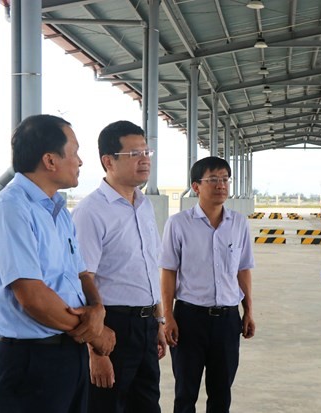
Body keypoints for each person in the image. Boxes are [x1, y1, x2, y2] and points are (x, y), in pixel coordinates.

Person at [0, 114, 115, 413]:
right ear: (50, 161)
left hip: (68, 354)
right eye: (75, 152)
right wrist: (94, 332)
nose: (80, 162)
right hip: (31, 362)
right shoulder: (11, 210)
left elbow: (81, 273)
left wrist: (98, 309)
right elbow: (34, 298)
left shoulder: (59, 211)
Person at [72, 120, 167, 413]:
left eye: (147, 151)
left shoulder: (144, 204)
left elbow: (150, 268)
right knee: (106, 405)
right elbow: (82, 280)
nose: (145, 159)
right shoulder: (91, 211)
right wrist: (96, 351)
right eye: (134, 153)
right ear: (108, 161)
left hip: (146, 325)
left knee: (147, 404)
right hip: (112, 326)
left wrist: (158, 322)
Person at [160, 156, 255, 413]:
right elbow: (168, 272)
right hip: (189, 319)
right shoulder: (178, 224)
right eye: (213, 179)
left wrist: (249, 311)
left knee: (221, 393)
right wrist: (167, 317)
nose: (221, 185)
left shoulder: (239, 224)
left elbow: (243, 269)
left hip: (227, 320)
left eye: (225, 179)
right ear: (196, 186)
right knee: (185, 393)